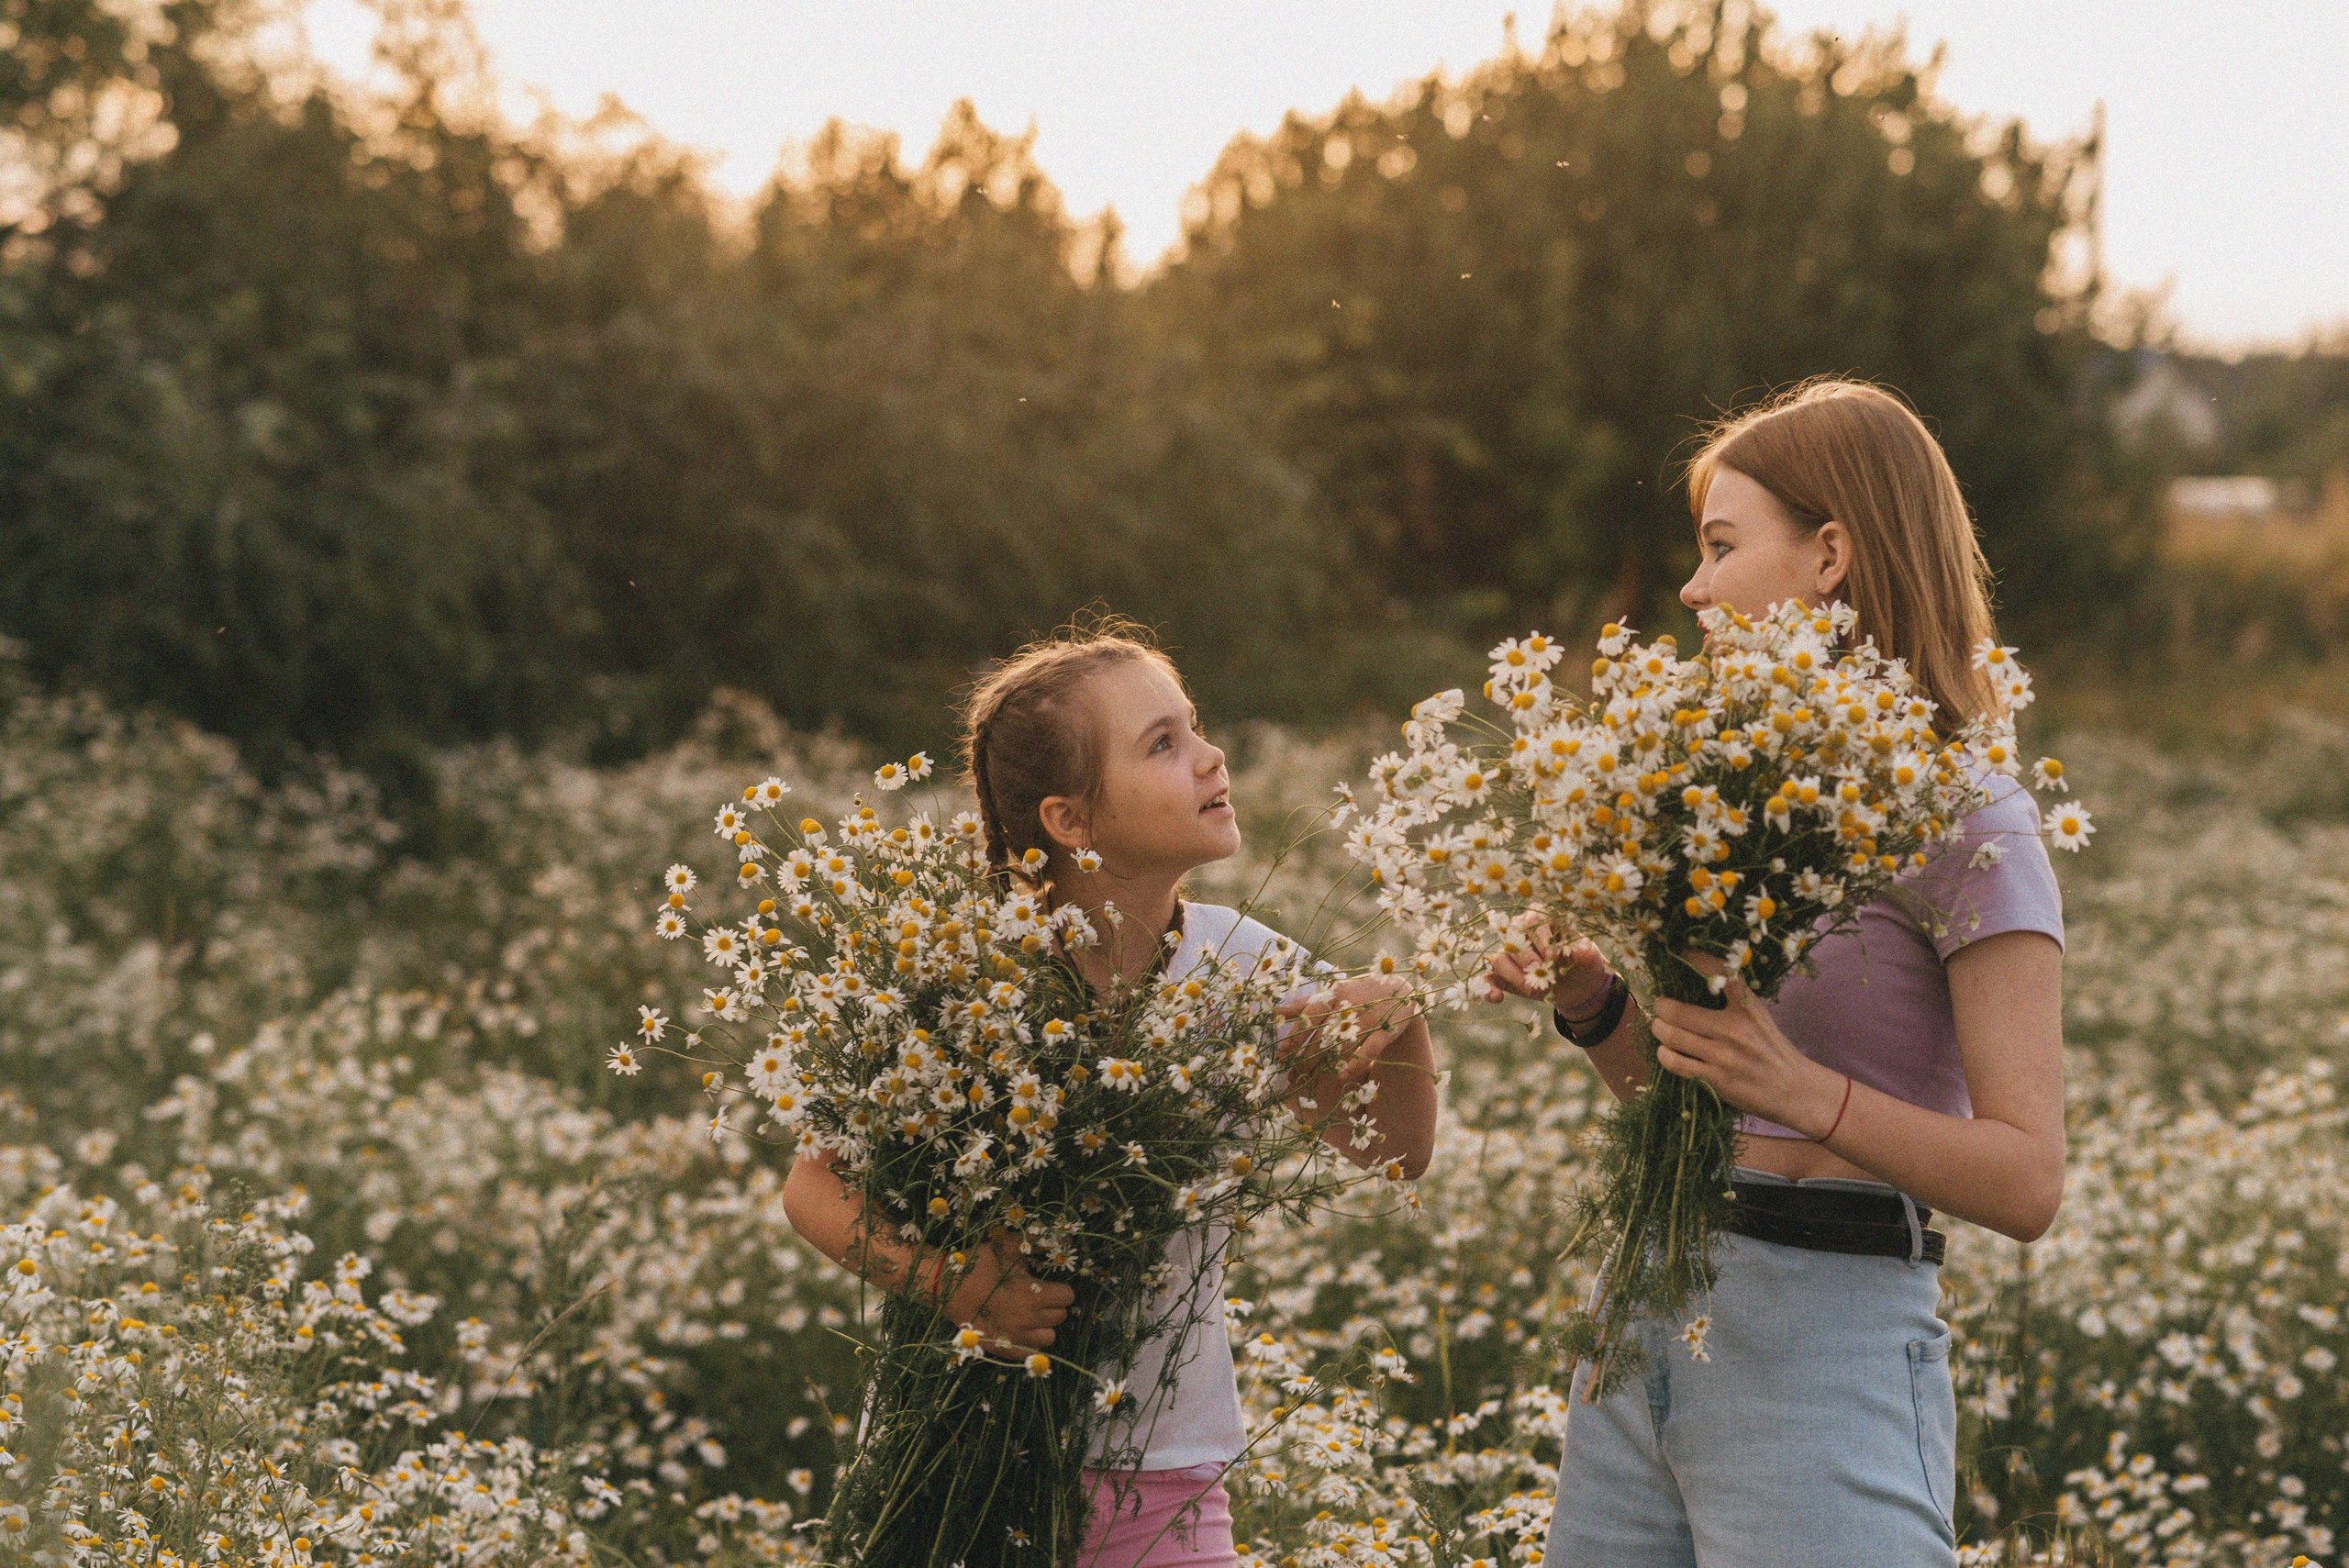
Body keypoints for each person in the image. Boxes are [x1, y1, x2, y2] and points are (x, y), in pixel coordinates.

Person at [1486, 380, 2065, 1567]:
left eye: (1719, 546)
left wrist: (1807, 1095)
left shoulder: (1969, 818)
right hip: (1650, 1308)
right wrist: (1596, 1006)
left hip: (1831, 1336)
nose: (1692, 589)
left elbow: (2027, 1180)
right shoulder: (1729, 799)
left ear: (1831, 556)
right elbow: (1690, 1110)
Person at [782, 622, 1439, 1568]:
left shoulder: (1249, 969)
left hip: (1163, 1474)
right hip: (959, 1462)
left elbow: (1397, 1154)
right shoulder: (959, 971)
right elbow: (812, 1188)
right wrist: (967, 1290)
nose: (1211, 756)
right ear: (1070, 821)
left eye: (1195, 726)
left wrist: (1400, 1018)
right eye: (1162, 743)